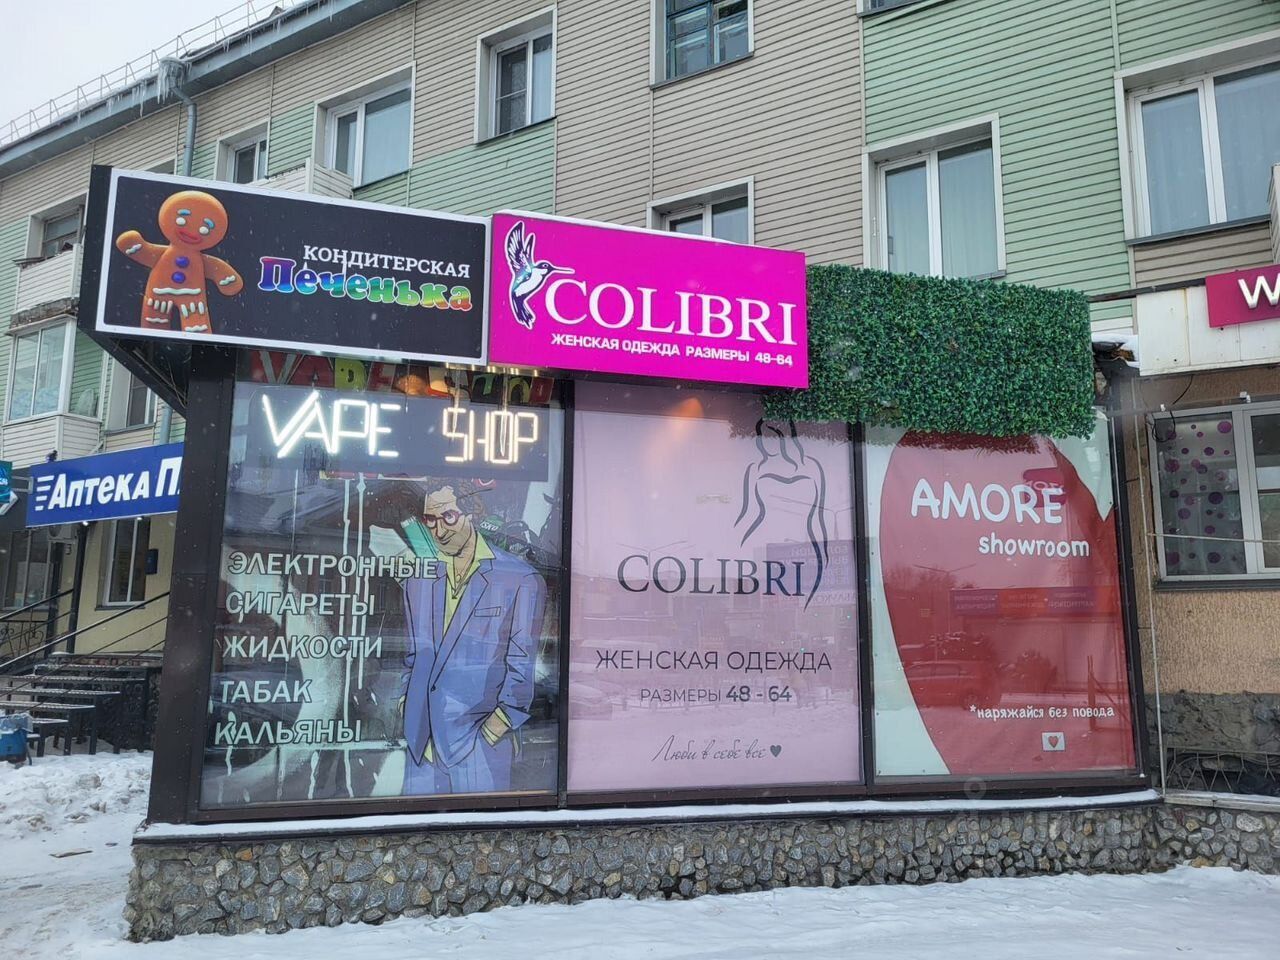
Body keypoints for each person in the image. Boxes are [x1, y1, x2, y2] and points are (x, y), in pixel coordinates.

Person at [399, 479, 545, 795]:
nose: (439, 530)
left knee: (480, 822)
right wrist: (405, 705)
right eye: (430, 520)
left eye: (448, 516)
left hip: (480, 742)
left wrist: (495, 728)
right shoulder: (419, 579)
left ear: (473, 512)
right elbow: (413, 655)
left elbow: (521, 665)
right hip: (422, 740)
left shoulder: (519, 578)